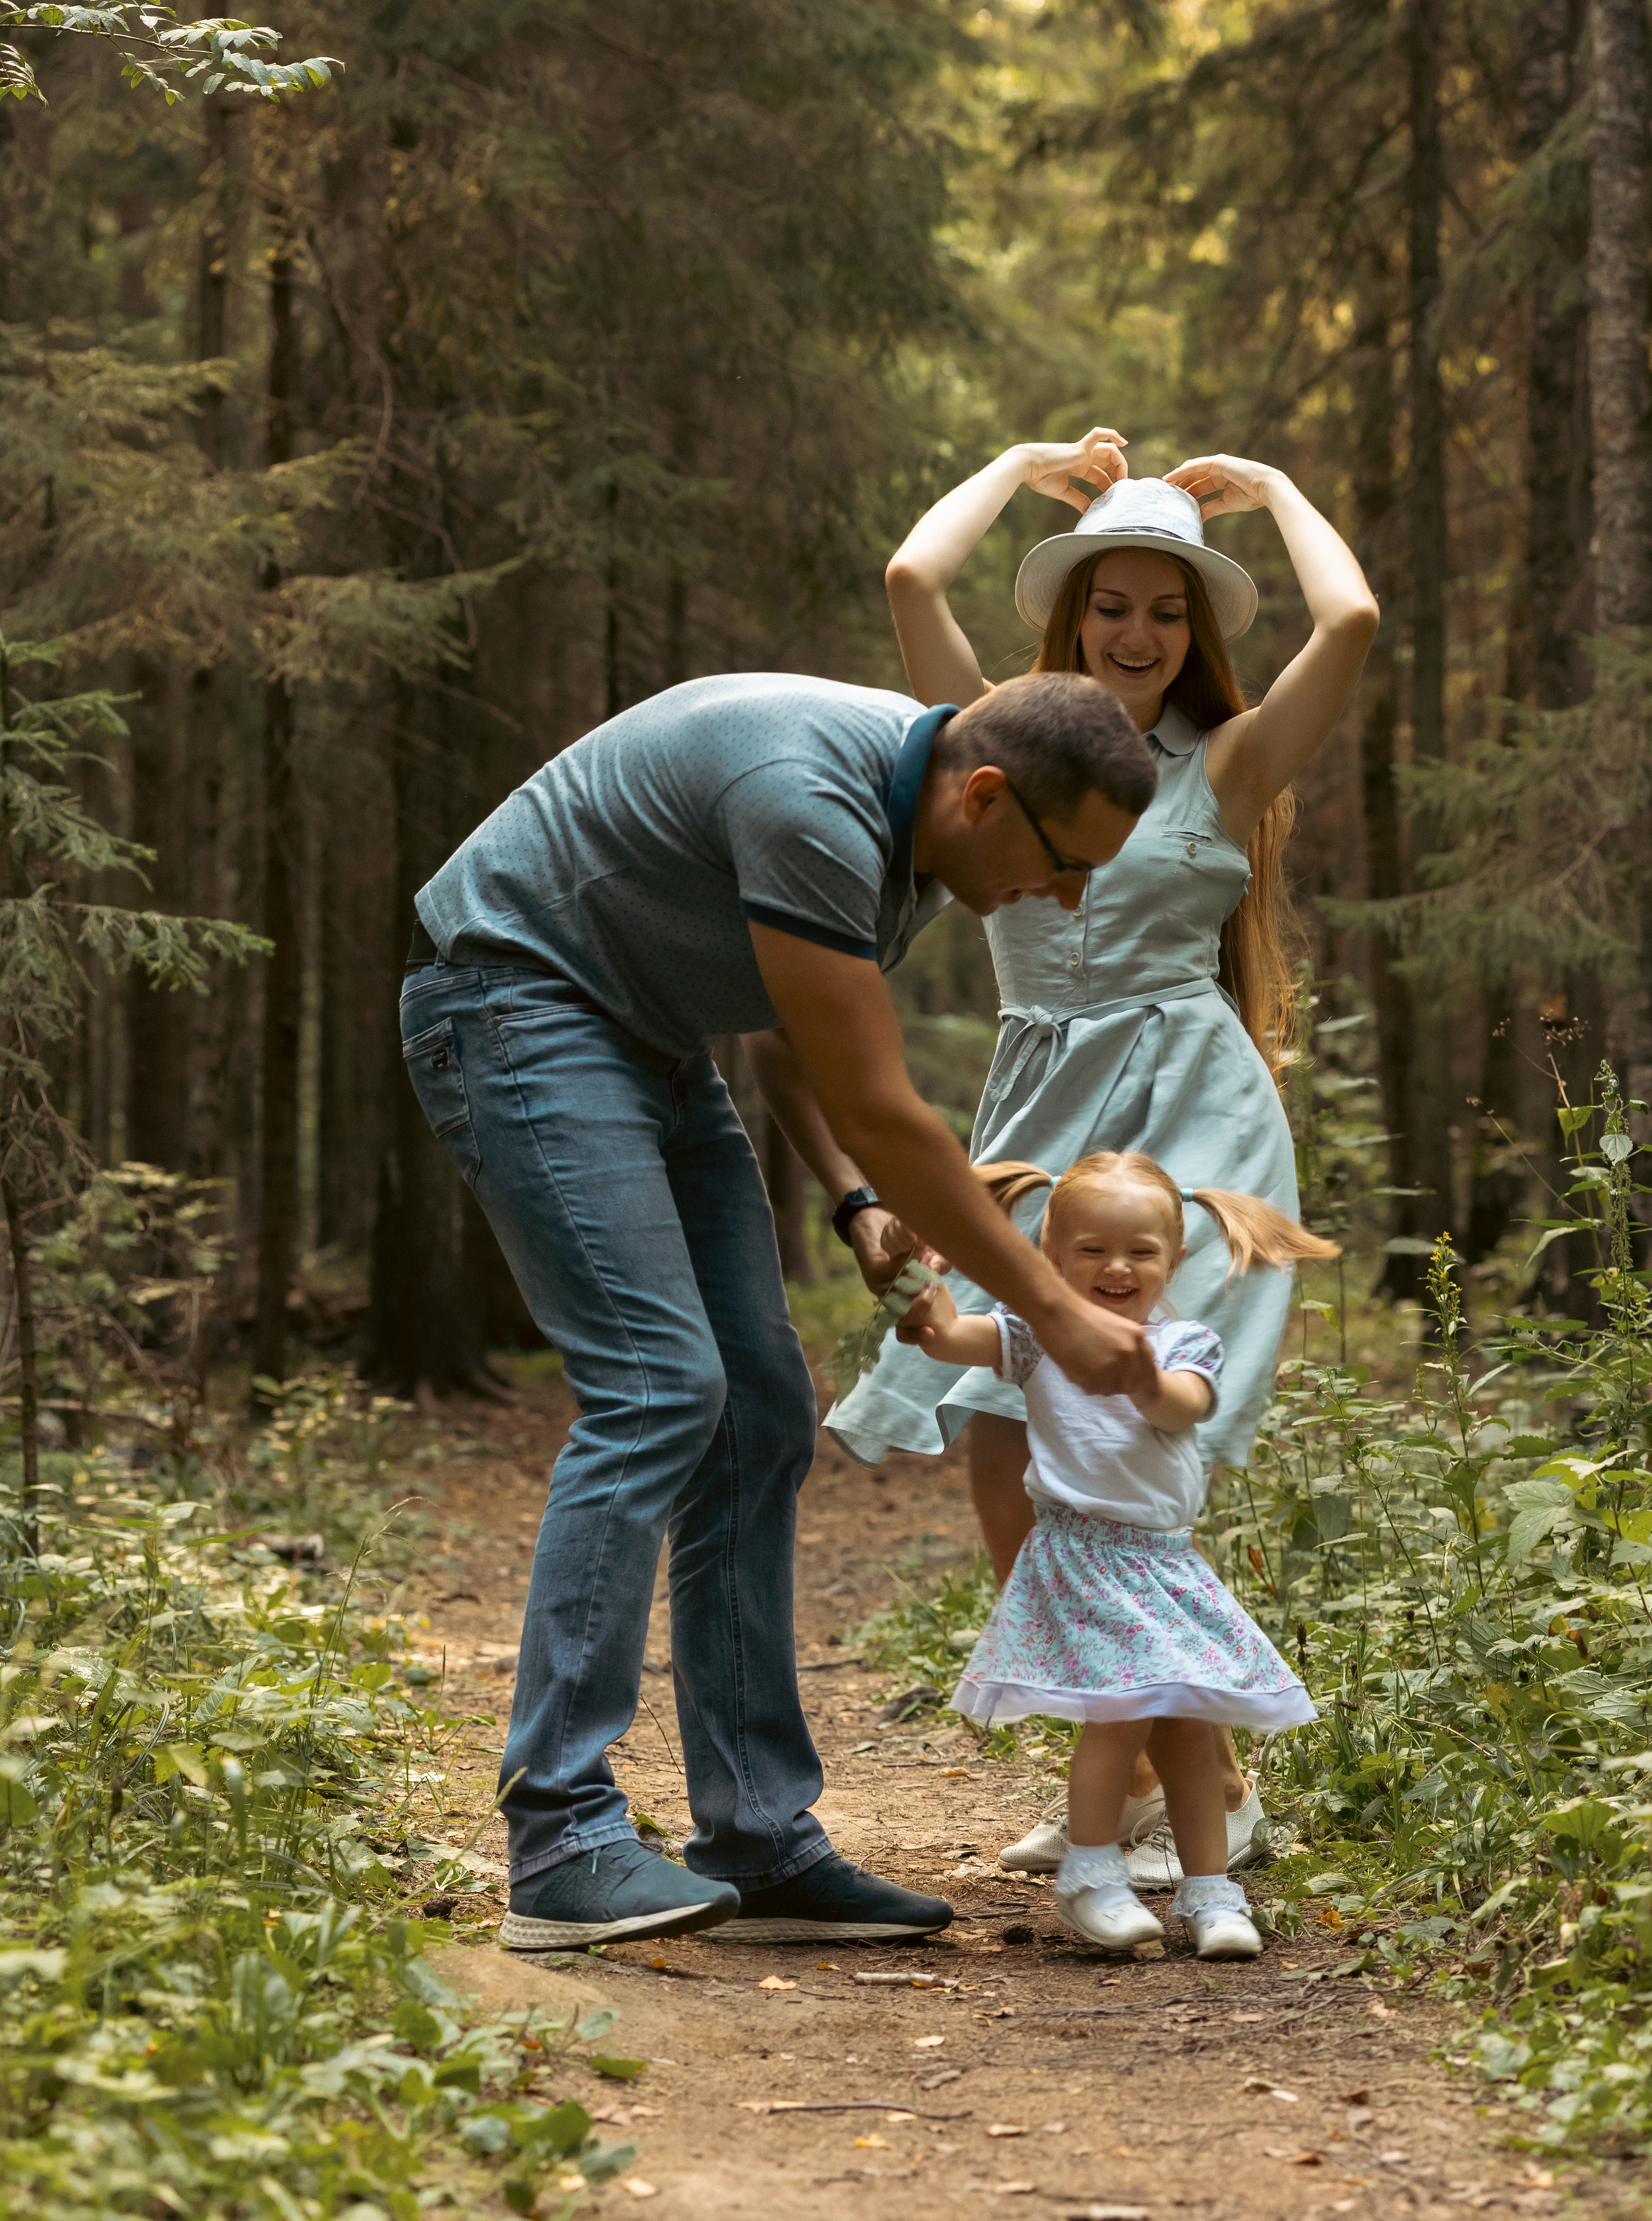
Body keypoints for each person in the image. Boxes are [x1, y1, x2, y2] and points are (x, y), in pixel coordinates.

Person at [402, 668, 1164, 1951]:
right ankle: (560, 1841)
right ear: (986, 797)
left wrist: (857, 1204)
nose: (1069, 895)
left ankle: (757, 1840)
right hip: (515, 1000)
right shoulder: (813, 800)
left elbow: (783, 1026)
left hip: (648, 1032)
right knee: (658, 1388)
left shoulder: (920, 837)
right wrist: (1053, 1307)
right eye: (1066, 862)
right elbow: (880, 1102)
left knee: (757, 1406)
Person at [823, 431, 1375, 1878]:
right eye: (1112, 604)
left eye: (1167, 611)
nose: (1139, 635)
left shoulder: (1229, 762)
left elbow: (1352, 621)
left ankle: (1186, 1786)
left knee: (1127, 1450)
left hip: (1192, 1114)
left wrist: (1276, 493)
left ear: (1195, 633)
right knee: (1004, 1448)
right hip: (1036, 1107)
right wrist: (1020, 465)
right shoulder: (999, 737)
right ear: (1071, 616)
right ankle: (1137, 1769)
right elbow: (910, 574)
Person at [898, 1151, 1318, 1957]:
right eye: (1092, 1250)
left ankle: (1210, 1893)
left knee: (1187, 1726)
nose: (1116, 1267)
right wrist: (919, 1281)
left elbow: (1179, 1406)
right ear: (1052, 1256)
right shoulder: (1032, 1338)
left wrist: (1131, 1369)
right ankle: (1091, 1877)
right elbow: (945, 1336)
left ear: (1174, 1261)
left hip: (1165, 1564)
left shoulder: (1186, 1343)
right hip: (1081, 1556)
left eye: (1139, 1252)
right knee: (1120, 1715)